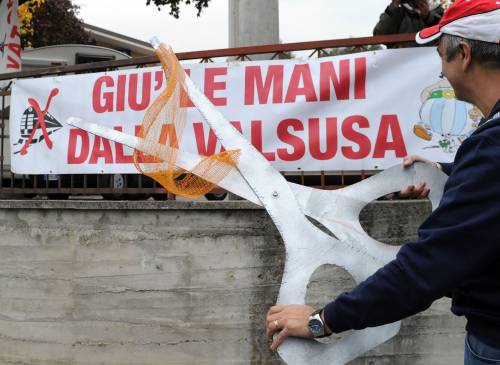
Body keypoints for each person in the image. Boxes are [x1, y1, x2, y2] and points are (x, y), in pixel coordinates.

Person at [266, 1, 500, 363]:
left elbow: (427, 267)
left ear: (465, 54)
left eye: (442, 55)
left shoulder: (491, 149)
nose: (441, 68)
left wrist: (321, 321)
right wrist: (451, 174)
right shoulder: (488, 154)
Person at [374, 0, 444, 47]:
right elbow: (379, 35)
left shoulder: (436, 8)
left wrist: (428, 16)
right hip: (402, 62)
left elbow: (446, 31)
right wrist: (394, 6)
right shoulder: (396, 11)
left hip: (432, 60)